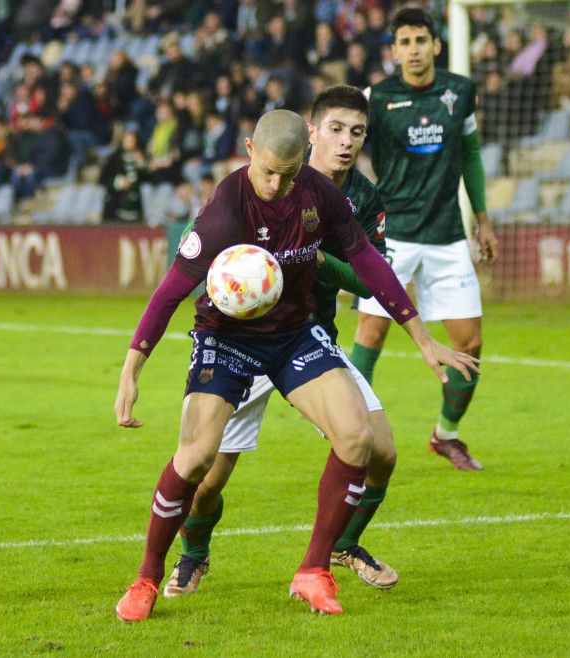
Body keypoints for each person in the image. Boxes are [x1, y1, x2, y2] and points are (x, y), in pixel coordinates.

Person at [112, 110, 478, 622]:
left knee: (359, 437)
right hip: (227, 338)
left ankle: (314, 572)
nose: (277, 184)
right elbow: (171, 289)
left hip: (292, 336)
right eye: (268, 171)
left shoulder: (318, 195)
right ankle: (147, 577)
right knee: (196, 460)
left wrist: (420, 335)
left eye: (289, 173)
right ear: (248, 149)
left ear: (303, 161)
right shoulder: (225, 208)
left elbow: (368, 261)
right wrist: (132, 369)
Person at [162, 86, 400, 600]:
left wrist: (320, 262)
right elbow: (197, 245)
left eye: (357, 132)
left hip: (308, 342)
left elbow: (371, 278)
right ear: (310, 132)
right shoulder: (257, 183)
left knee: (380, 450)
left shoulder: (360, 197)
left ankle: (342, 546)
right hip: (243, 341)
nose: (346, 141)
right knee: (205, 480)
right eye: (336, 129)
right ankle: (193, 556)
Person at [351, 7, 498, 471]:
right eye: (404, 42)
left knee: (469, 342)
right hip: (391, 234)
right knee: (370, 333)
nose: (413, 50)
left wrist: (483, 217)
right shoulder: (375, 98)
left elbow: (471, 154)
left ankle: (445, 435)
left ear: (436, 45)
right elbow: (344, 152)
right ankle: (352, 437)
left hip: (447, 234)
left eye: (421, 40)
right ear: (393, 51)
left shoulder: (460, 91)